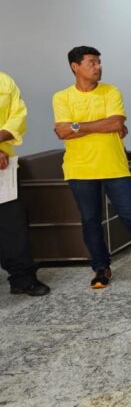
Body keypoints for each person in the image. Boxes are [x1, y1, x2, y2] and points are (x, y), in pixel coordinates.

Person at [53, 47, 131, 288]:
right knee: (90, 221)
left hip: (115, 167)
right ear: (75, 67)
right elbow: (62, 131)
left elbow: (116, 123)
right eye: (92, 63)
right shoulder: (62, 97)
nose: (98, 67)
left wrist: (77, 126)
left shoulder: (111, 91)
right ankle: (101, 268)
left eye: (99, 62)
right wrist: (102, 125)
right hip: (80, 169)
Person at [0, 70, 49, 296]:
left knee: (13, 224)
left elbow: (18, 115)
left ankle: (23, 278)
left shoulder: (4, 80)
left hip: (3, 165)